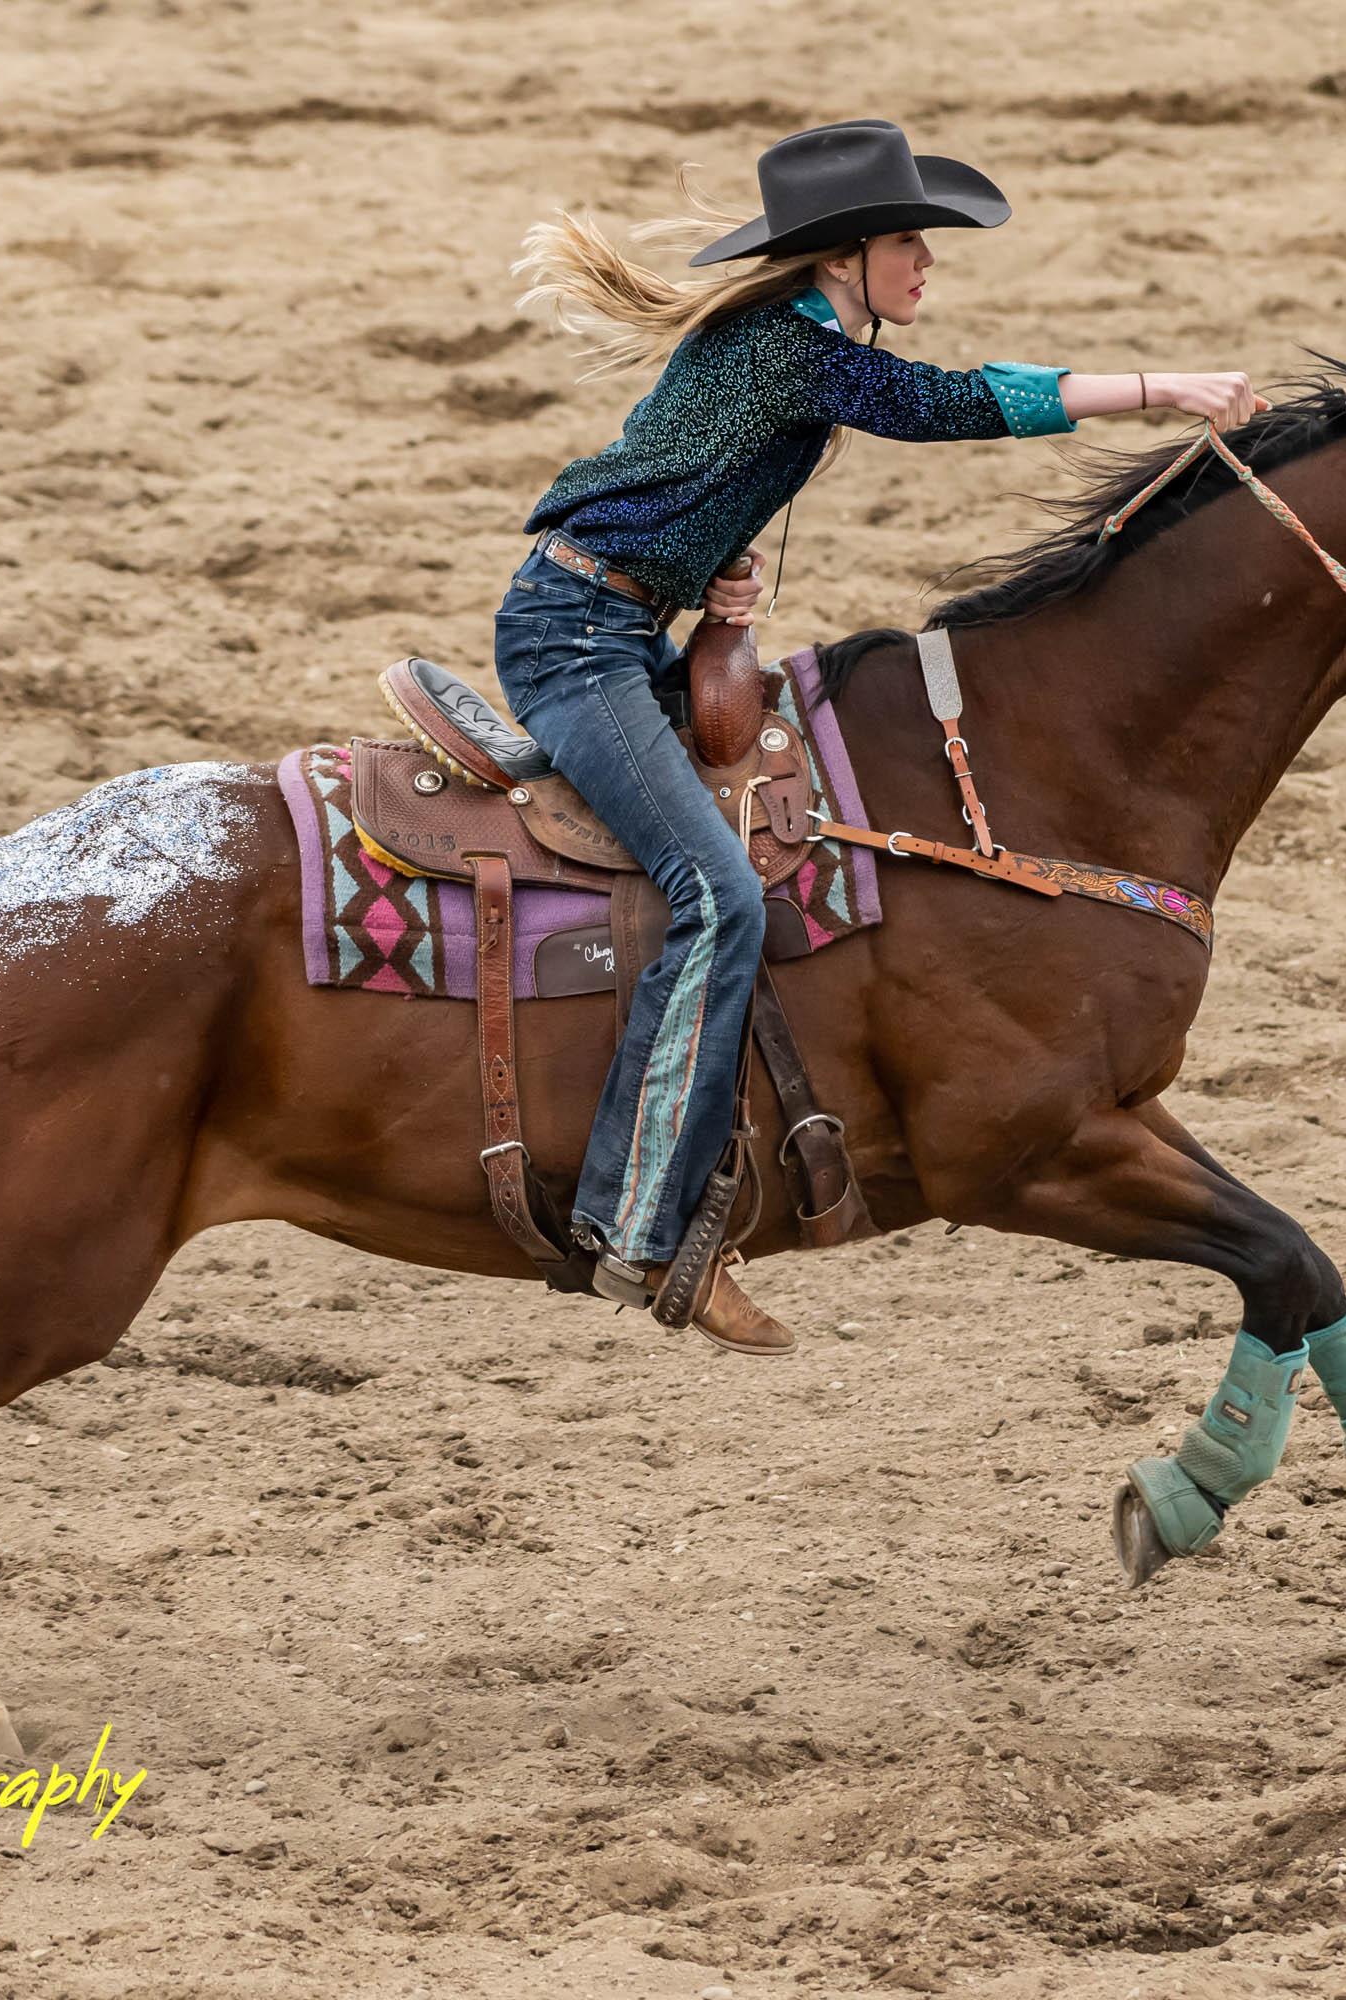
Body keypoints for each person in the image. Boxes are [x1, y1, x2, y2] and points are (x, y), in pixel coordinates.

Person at [503, 118, 1264, 1356]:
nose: (927, 262)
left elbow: (675, 477)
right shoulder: (792, 351)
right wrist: (1165, 387)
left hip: (615, 624)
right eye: (909, 241)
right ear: (843, 256)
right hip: (577, 642)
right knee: (718, 896)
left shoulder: (782, 344)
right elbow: (948, 403)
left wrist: (712, 579)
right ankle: (635, 1225)